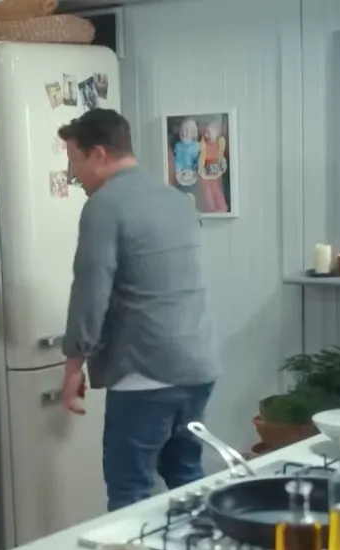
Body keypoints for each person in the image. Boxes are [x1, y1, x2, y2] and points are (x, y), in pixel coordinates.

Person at [57, 108, 221, 512]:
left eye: (74, 159)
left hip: (144, 373)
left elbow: (91, 290)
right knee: (186, 478)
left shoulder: (105, 205)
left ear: (98, 153)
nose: (74, 174)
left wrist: (73, 365)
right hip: (197, 366)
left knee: (130, 493)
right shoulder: (176, 199)